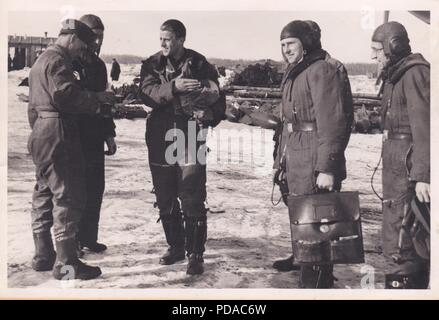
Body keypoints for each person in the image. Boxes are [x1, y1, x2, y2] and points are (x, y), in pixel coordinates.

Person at [27, 19, 116, 280]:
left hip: (41, 130)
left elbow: (33, 106)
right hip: (59, 131)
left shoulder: (40, 60)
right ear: (72, 38)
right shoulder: (58, 61)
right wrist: (97, 100)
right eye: (82, 45)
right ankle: (65, 264)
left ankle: (43, 254)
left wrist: (40, 130)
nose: (82, 51)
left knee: (43, 193)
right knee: (67, 196)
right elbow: (65, 96)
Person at [139, 19, 223, 275]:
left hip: (188, 136)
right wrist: (173, 87)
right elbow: (146, 93)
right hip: (159, 136)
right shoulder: (152, 64)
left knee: (192, 194)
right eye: (160, 38)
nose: (162, 44)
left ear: (181, 40)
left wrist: (207, 113)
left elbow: (218, 96)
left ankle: (195, 253)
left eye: (167, 39)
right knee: (165, 196)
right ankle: (175, 245)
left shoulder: (198, 63)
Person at [273, 20, 352, 288]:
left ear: (305, 43)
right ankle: (303, 260)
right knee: (301, 214)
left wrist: (327, 167)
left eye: (290, 44)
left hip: (313, 156)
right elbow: (288, 123)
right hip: (296, 154)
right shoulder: (296, 71)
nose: (286, 50)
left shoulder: (322, 70)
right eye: (282, 45)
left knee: (317, 222)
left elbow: (333, 123)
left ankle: (317, 282)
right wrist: (280, 162)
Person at [371, 21, 430, 289]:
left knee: (408, 222)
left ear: (392, 47)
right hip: (396, 159)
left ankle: (409, 280)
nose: (373, 56)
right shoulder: (396, 74)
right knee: (395, 216)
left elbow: (425, 128)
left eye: (376, 50)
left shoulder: (414, 73)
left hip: (407, 162)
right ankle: (401, 272)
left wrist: (423, 175)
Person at [74, 14, 117, 254]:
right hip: (73, 134)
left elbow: (106, 102)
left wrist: (109, 134)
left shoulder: (99, 66)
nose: (98, 42)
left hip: (94, 135)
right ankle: (74, 241)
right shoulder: (71, 62)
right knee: (75, 189)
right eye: (94, 36)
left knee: (95, 187)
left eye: (101, 37)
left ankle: (89, 237)